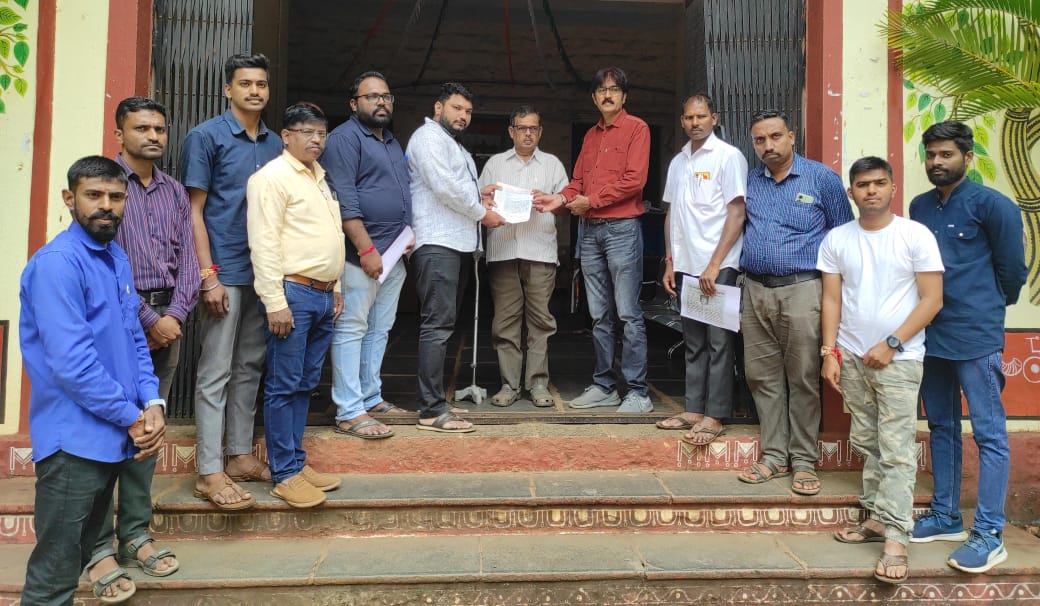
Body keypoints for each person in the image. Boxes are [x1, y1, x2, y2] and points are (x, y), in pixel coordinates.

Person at [19, 156, 166, 605]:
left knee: (80, 553)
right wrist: (131, 417)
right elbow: (73, 365)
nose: (106, 205)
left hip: (112, 437)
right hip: (74, 444)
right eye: (94, 195)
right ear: (70, 198)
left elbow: (135, 338)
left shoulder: (116, 257)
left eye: (116, 196)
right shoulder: (58, 265)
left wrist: (152, 402)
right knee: (54, 578)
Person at [83, 96, 195, 594]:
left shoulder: (174, 191)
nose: (153, 136)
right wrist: (149, 319)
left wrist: (175, 315)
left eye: (160, 129)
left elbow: (189, 259)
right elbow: (107, 259)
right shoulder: (106, 191)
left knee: (149, 431)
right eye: (142, 128)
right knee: (106, 432)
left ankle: (134, 534)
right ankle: (96, 547)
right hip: (118, 324)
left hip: (168, 320)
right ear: (119, 134)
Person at [908, 121, 1028, 574]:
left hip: (975, 334)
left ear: (967, 157)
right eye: (931, 155)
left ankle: (990, 534)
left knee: (989, 433)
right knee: (941, 424)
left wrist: (987, 306)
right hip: (931, 333)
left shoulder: (994, 206)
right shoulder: (920, 207)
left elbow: (1012, 271)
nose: (937, 162)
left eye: (947, 154)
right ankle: (945, 515)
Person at [820, 156, 944, 585]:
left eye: (878, 183)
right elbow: (832, 299)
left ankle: (896, 538)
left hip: (900, 359)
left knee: (896, 448)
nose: (870, 190)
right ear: (851, 192)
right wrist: (830, 352)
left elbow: (932, 300)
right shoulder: (837, 239)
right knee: (868, 441)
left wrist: (892, 344)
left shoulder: (914, 235)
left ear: (892, 187)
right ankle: (875, 517)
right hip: (853, 356)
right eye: (862, 184)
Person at [181, 53, 283, 510]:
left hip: (263, 273)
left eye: (261, 84)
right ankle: (209, 470)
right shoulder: (206, 137)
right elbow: (193, 212)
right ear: (228, 89)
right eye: (245, 84)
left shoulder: (277, 143)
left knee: (250, 367)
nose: (255, 91)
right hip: (223, 271)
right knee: (215, 372)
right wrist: (207, 276)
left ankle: (240, 455)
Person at [736, 109, 854, 495]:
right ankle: (773, 456)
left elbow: (844, 237)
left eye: (775, 136)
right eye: (759, 140)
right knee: (761, 377)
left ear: (791, 137)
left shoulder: (821, 179)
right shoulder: (751, 181)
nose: (768, 146)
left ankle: (803, 460)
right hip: (755, 289)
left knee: (803, 377)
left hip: (804, 289)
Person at [532, 66, 652, 413]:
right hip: (589, 231)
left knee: (628, 313)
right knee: (598, 314)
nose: (607, 95)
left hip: (621, 229)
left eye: (614, 89)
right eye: (601, 90)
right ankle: (604, 385)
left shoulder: (637, 129)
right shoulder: (590, 136)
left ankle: (638, 392)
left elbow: (635, 180)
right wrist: (559, 198)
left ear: (624, 96)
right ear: (595, 98)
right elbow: (578, 182)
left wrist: (592, 201)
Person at [247, 102, 345, 508]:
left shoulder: (319, 177)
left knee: (305, 384)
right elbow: (264, 242)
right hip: (293, 295)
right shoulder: (271, 178)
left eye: (321, 133)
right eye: (307, 132)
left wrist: (337, 286)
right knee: (284, 385)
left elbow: (332, 233)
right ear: (286, 137)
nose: (316, 140)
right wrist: (274, 302)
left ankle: (297, 463)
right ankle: (284, 474)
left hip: (322, 294)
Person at [407, 82, 505, 432]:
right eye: (457, 108)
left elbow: (453, 187)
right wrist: (482, 213)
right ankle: (431, 410)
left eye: (468, 111)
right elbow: (445, 188)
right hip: (438, 244)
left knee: (444, 325)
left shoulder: (451, 143)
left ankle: (435, 400)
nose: (463, 116)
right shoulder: (428, 138)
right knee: (436, 326)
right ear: (438, 108)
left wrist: (479, 194)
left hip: (455, 244)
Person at [322, 71, 412, 439]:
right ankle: (348, 409)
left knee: (379, 329)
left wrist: (407, 234)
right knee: (352, 328)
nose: (381, 102)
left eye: (386, 96)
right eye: (372, 96)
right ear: (353, 104)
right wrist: (366, 248)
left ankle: (371, 397)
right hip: (361, 256)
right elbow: (344, 199)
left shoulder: (390, 141)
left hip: (394, 254)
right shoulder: (343, 139)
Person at [656, 94, 747, 443]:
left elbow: (736, 213)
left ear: (714, 118)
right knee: (693, 341)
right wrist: (670, 260)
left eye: (701, 116)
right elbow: (672, 214)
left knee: (719, 342)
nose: (695, 123)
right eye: (689, 118)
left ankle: (715, 415)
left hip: (718, 266)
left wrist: (714, 264)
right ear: (682, 121)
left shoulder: (728, 157)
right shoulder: (679, 161)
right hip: (687, 266)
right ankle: (693, 409)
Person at [479, 105, 569, 408]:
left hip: (540, 251)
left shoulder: (552, 165)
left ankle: (538, 383)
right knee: (505, 322)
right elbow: (478, 203)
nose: (527, 133)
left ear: (540, 132)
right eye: (521, 128)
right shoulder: (495, 164)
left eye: (533, 128)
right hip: (503, 250)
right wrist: (486, 203)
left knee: (541, 320)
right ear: (511, 131)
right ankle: (509, 384)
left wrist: (551, 201)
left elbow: (565, 205)